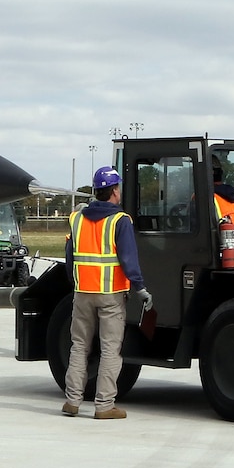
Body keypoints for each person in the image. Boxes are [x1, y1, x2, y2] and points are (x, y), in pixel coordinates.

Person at [61, 165, 145, 420]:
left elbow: (70, 258)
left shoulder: (77, 219)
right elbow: (128, 258)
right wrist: (140, 287)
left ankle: (72, 401)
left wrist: (76, 284)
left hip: (82, 292)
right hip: (111, 295)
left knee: (79, 347)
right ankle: (104, 405)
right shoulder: (120, 221)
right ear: (115, 191)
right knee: (110, 350)